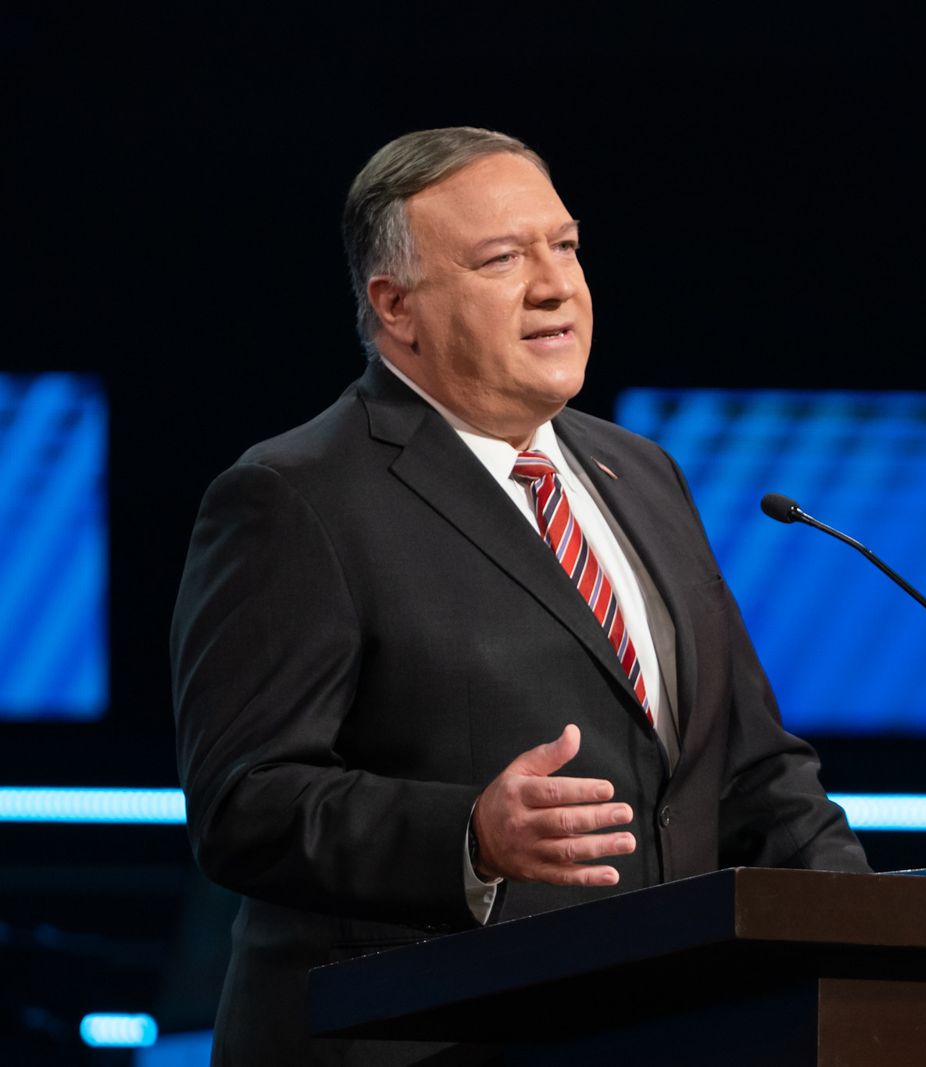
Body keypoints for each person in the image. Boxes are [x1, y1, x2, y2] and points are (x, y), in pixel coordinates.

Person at [171, 126, 870, 1066]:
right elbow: (243, 802)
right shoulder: (295, 496)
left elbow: (753, 771)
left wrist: (873, 939)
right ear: (396, 307)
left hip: (657, 1032)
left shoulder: (642, 472)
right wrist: (468, 834)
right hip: (413, 1040)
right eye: (502, 258)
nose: (555, 286)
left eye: (565, 246)